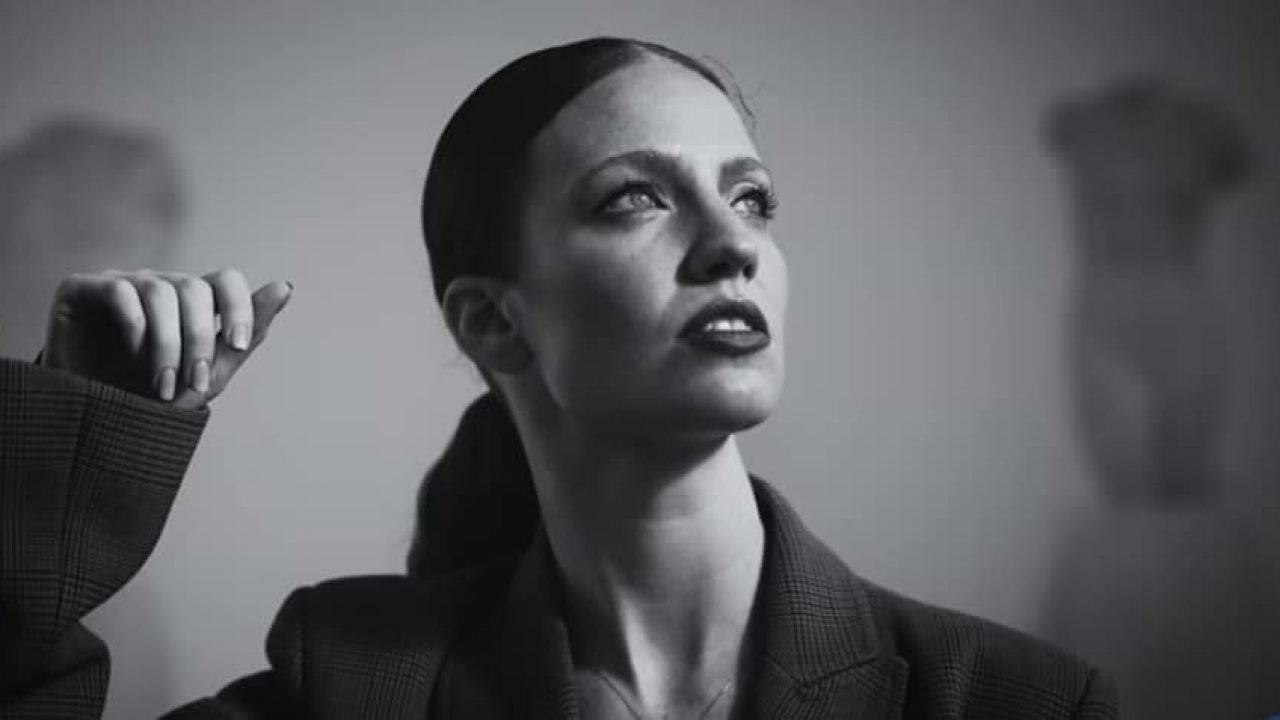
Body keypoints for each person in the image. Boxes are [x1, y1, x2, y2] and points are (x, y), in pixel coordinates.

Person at [0, 37, 1118, 719]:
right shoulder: (349, 683)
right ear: (495, 321)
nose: (733, 244)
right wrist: (74, 452)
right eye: (636, 198)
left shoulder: (1013, 701)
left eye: (751, 198)